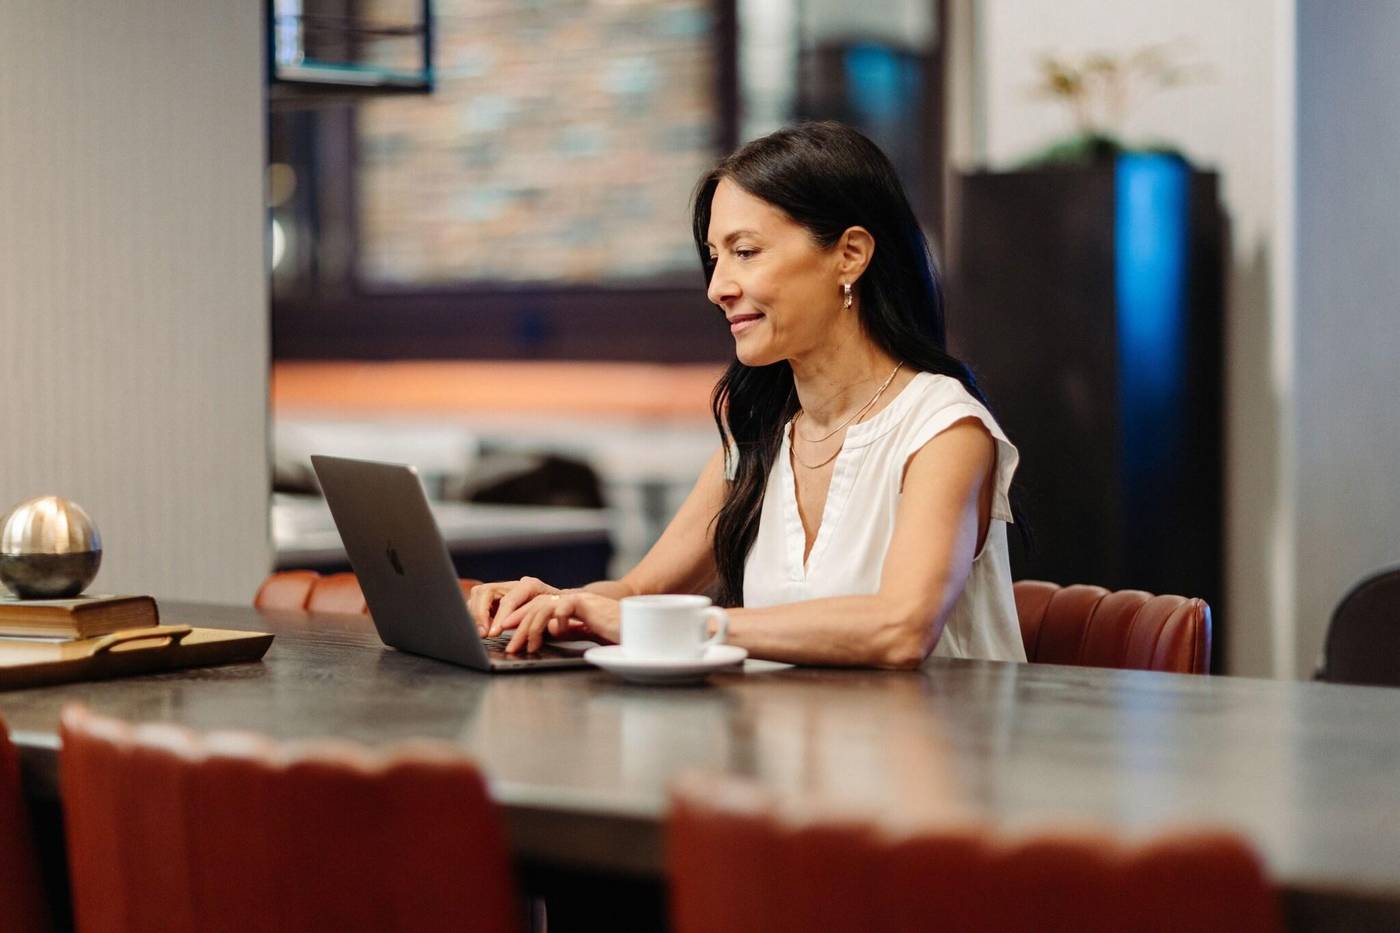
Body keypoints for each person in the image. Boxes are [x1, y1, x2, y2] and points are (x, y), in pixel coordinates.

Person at [468, 121, 1026, 668]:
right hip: (792, 752)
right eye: (715, 258)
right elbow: (642, 588)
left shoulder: (944, 428)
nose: (717, 288)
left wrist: (680, 625)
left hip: (939, 753)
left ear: (850, 255)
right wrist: (556, 604)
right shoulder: (759, 432)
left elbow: (901, 627)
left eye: (746, 252)